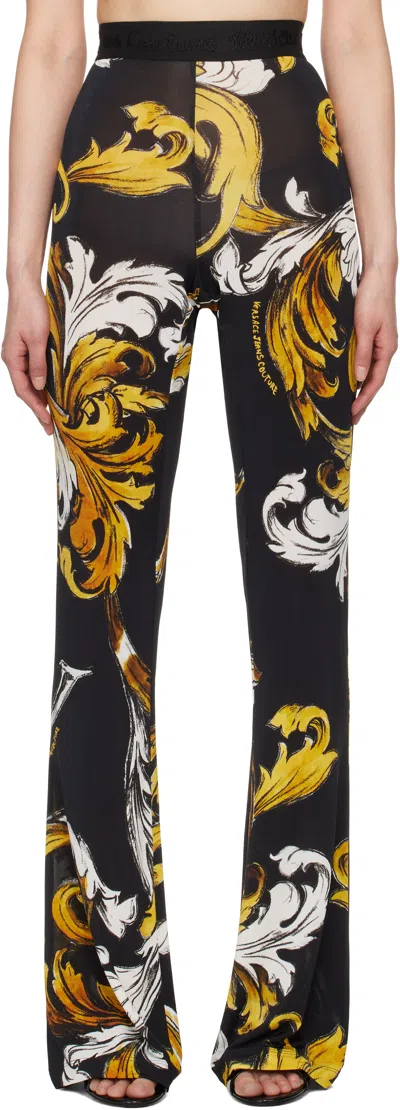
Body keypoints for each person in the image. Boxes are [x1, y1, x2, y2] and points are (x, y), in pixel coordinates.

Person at [2, 0, 397, 1106]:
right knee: (99, 618)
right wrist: (18, 264)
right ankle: (109, 1009)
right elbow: (51, 37)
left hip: (289, 164)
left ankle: (280, 1007)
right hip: (116, 159)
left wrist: (384, 255)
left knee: (302, 606)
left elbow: (355, 31)